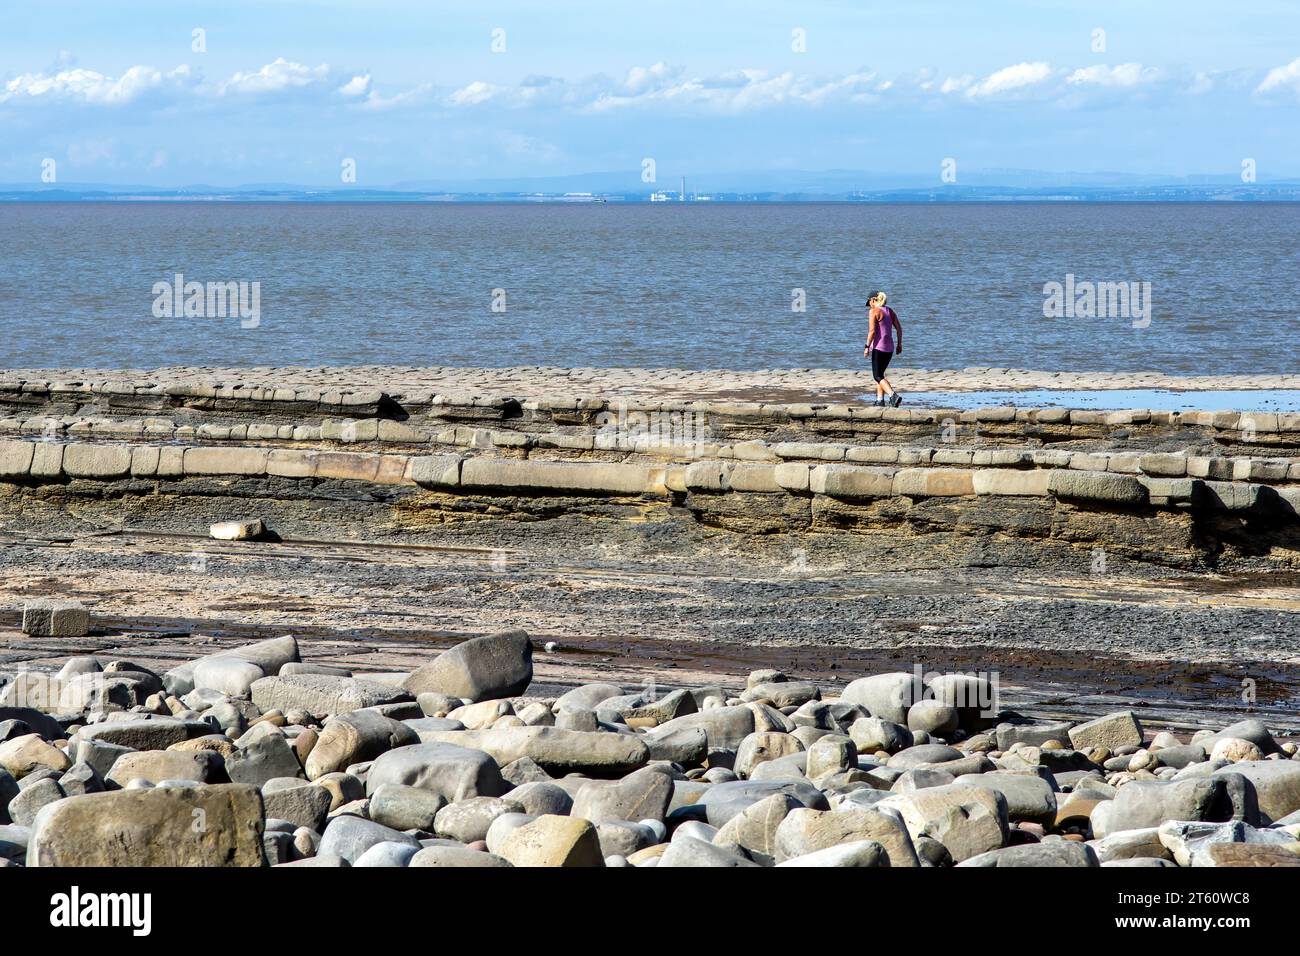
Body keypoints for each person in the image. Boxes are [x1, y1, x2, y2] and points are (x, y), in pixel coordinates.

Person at [864, 291, 904, 407]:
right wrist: (899, 344)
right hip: (889, 349)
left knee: (877, 376)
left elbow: (872, 332)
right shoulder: (889, 311)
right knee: (880, 375)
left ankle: (893, 395)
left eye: (869, 303)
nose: (869, 306)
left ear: (873, 300)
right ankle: (880, 400)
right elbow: (899, 329)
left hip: (878, 348)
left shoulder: (874, 311)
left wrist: (866, 347)